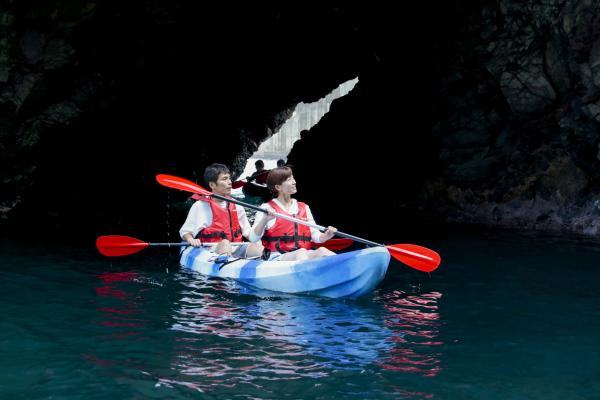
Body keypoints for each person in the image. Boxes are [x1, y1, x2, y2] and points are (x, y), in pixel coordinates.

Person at [250, 166, 337, 261]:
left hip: (302, 255)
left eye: (293, 178)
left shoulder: (304, 207)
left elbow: (316, 236)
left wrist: (326, 236)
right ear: (278, 187)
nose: (294, 182)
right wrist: (264, 220)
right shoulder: (266, 208)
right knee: (301, 252)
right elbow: (253, 238)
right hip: (276, 257)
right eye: (289, 179)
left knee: (322, 251)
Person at [180, 163, 264, 258]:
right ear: (212, 185)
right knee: (225, 244)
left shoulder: (237, 206)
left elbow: (249, 234)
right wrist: (191, 239)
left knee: (257, 249)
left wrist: (265, 220)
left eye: (229, 178)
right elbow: (185, 232)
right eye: (224, 179)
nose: (230, 182)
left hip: (236, 247)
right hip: (210, 250)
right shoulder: (200, 206)